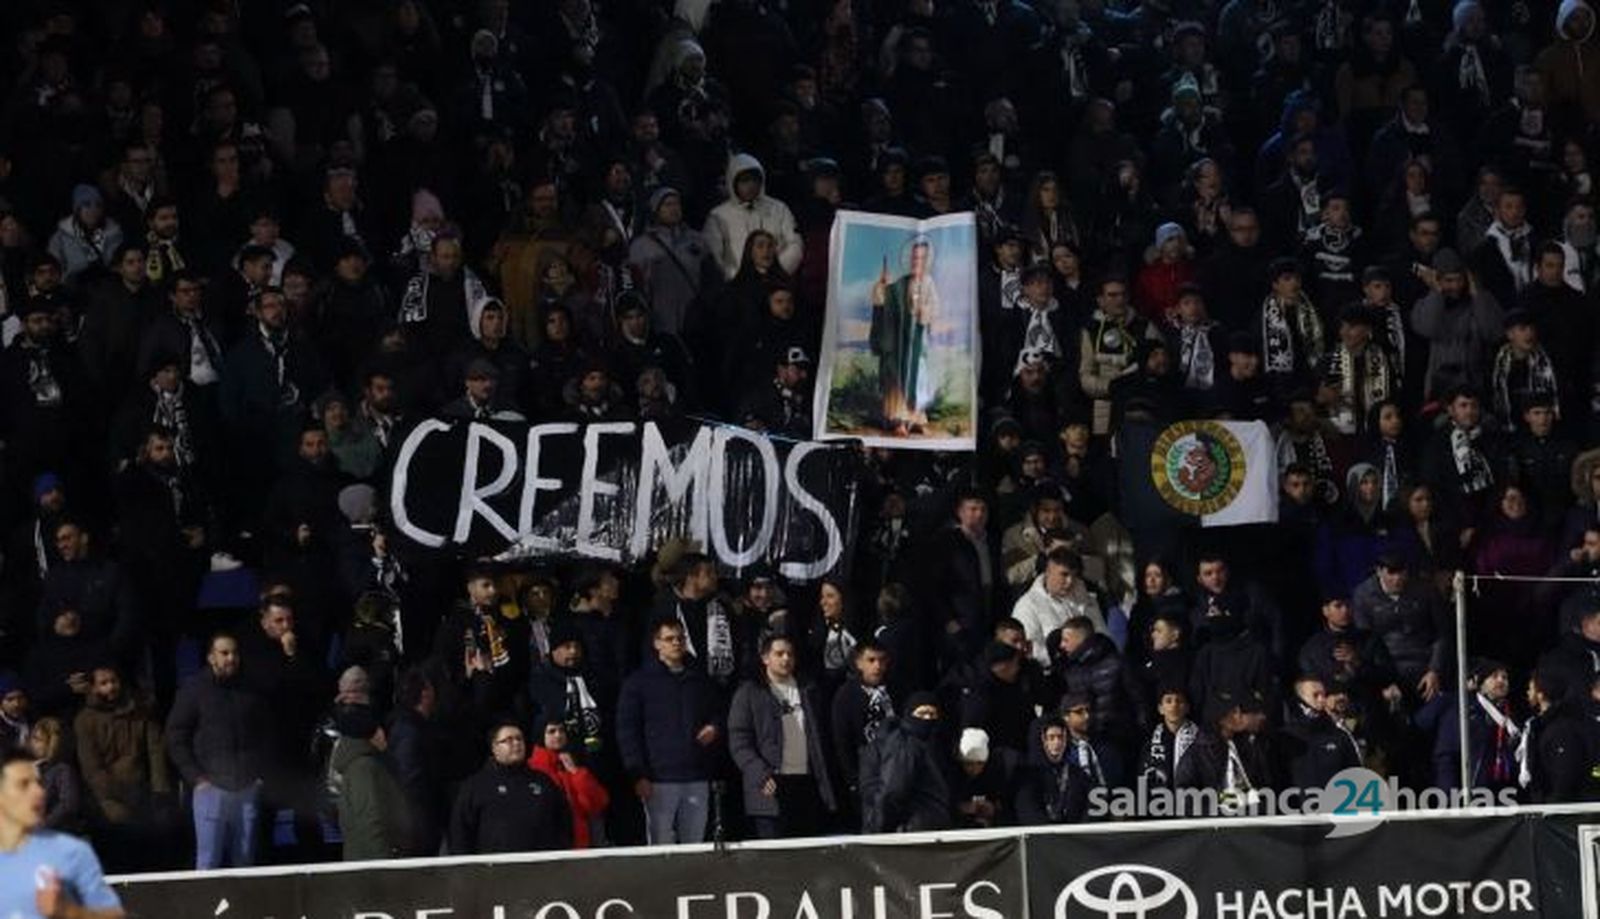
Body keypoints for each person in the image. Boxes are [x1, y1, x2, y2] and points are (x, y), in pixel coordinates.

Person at [163, 633, 272, 869]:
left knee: (245, 859)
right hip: (210, 788)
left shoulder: (251, 690)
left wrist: (259, 774)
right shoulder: (194, 690)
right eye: (224, 653)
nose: (231, 658)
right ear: (211, 657)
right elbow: (175, 736)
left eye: (234, 653)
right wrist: (195, 777)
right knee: (208, 861)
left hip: (246, 786)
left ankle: (243, 905)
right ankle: (206, 907)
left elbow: (266, 733)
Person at [616, 619, 722, 846]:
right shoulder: (638, 683)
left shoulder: (699, 679)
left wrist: (714, 726)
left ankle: (692, 884)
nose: (676, 643)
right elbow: (628, 732)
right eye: (669, 639)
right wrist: (638, 775)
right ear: (657, 644)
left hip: (696, 775)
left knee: (695, 844)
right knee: (660, 845)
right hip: (658, 780)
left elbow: (718, 711)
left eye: (680, 638)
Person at [728, 633, 836, 839]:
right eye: (779, 654)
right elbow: (739, 741)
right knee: (774, 859)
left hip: (805, 783)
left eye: (790, 654)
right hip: (770, 784)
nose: (786, 659)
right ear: (765, 658)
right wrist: (759, 773)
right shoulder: (750, 692)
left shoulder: (808, 689)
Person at [0, 748, 123, 919]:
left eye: (38, 782)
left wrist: (66, 910)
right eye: (23, 784)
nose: (39, 792)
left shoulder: (73, 852)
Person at [447, 721, 572, 854]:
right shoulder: (475, 786)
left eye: (519, 739)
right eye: (508, 740)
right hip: (493, 870)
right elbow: (460, 834)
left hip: (542, 868)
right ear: (494, 748)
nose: (516, 743)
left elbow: (564, 823)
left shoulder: (543, 781)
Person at [869, 237, 941, 433]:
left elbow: (934, 308)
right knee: (897, 377)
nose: (918, 262)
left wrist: (922, 311)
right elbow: (886, 301)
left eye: (922, 258)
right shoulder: (901, 283)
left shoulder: (928, 282)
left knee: (918, 376)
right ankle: (899, 421)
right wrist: (882, 289)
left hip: (917, 339)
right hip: (898, 340)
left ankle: (916, 419)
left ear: (927, 261)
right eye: (915, 258)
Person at [858, 693, 951, 833]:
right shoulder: (906, 744)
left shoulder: (932, 747)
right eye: (922, 713)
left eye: (933, 714)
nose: (928, 719)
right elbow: (894, 790)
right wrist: (878, 829)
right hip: (911, 830)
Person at [329, 706, 409, 862]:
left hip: (364, 861)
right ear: (375, 734)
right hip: (373, 868)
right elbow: (370, 820)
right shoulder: (364, 768)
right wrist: (384, 867)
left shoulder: (358, 765)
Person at [527, 720, 610, 849]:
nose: (558, 735)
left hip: (579, 842)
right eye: (552, 731)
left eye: (561, 730)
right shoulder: (533, 768)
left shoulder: (573, 762)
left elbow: (598, 802)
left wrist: (576, 773)